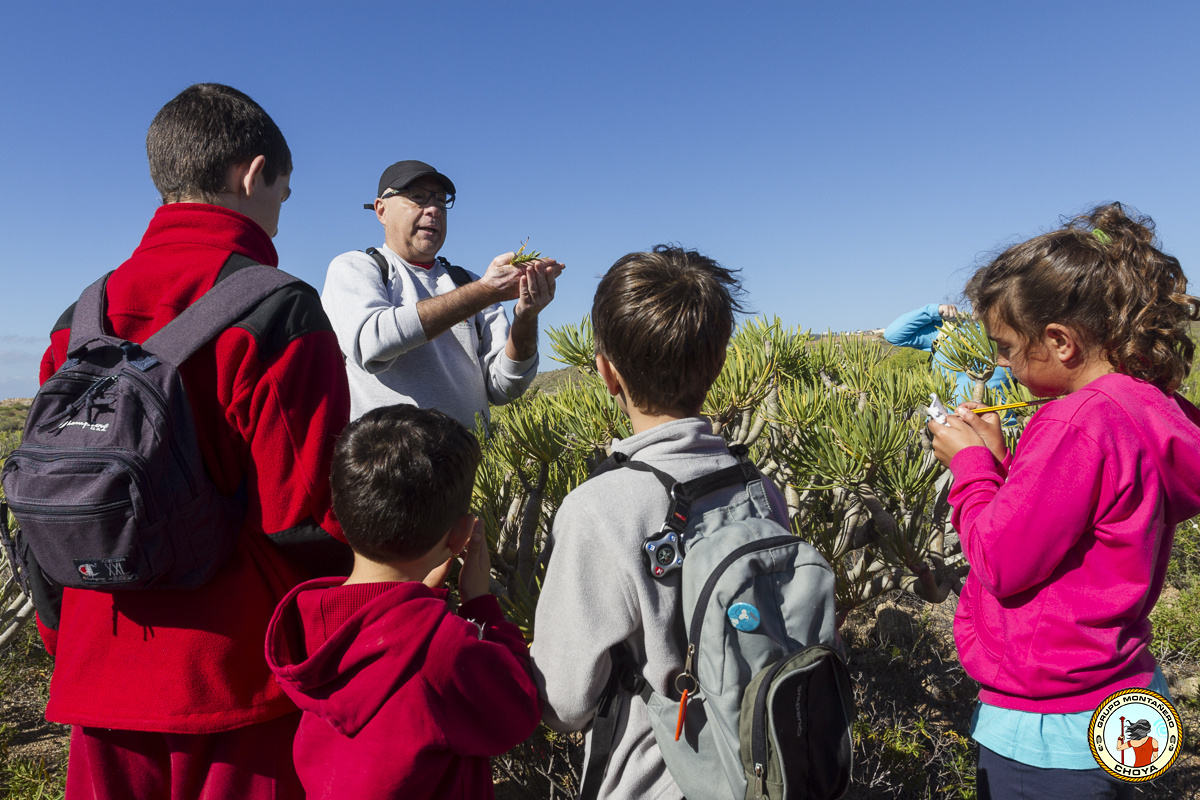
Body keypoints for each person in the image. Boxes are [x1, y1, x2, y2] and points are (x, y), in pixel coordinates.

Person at [35, 83, 351, 799]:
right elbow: (308, 513)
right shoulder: (278, 307)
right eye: (284, 191)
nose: (279, 210)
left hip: (95, 672)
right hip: (235, 685)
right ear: (252, 172)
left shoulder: (77, 316)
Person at [926, 203, 1200, 799]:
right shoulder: (1146, 406)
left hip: (1053, 721)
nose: (1001, 364)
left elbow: (1000, 559)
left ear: (1060, 341)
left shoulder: (1078, 424)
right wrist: (999, 464)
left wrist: (971, 467)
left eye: (1005, 347)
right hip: (1125, 695)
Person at [530, 246, 794, 799]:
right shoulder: (760, 488)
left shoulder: (599, 507)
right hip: (765, 768)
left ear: (606, 371)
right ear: (720, 362)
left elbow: (565, 704)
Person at [266, 404, 540, 799]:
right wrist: (480, 603)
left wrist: (419, 602)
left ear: (339, 512)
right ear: (461, 535)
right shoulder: (438, 650)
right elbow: (518, 708)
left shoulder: (307, 625)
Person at [321, 160, 565, 428]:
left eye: (440, 199)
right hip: (385, 468)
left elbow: (504, 387)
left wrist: (526, 317)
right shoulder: (356, 268)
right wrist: (485, 291)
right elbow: (372, 343)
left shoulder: (470, 283)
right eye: (418, 197)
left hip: (471, 468)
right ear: (381, 210)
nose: (434, 209)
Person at [885, 301, 1011, 403]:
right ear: (973, 300)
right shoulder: (950, 328)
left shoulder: (1012, 335)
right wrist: (934, 311)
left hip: (999, 424)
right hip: (947, 423)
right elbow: (893, 335)